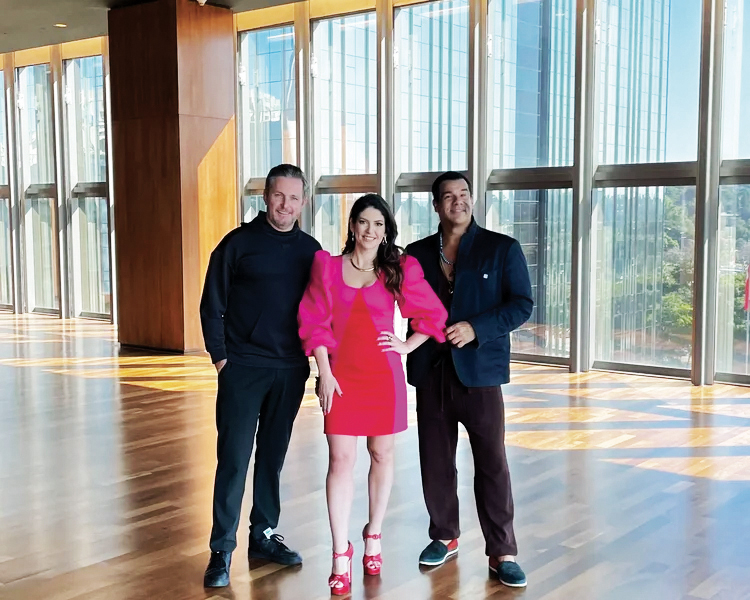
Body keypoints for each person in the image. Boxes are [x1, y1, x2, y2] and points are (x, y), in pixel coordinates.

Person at [298, 194, 447, 596]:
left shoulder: (399, 268)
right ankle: (339, 554)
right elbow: (314, 322)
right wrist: (324, 373)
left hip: (383, 376)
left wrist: (407, 345)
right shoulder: (327, 267)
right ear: (352, 225)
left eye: (379, 224)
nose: (370, 230)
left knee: (382, 454)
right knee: (340, 460)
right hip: (341, 377)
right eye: (364, 222)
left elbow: (432, 314)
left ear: (386, 231)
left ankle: (374, 534)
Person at [404, 171, 533, 588]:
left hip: (480, 373)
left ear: (472, 200)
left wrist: (477, 327)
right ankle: (444, 535)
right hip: (430, 371)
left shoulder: (502, 248)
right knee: (435, 460)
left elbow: (522, 304)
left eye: (463, 193)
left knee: (492, 462)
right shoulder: (416, 254)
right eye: (448, 196)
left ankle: (502, 551)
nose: (457, 201)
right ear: (436, 205)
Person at [200, 164, 321, 588]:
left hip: (290, 370)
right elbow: (211, 305)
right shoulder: (237, 244)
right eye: (279, 196)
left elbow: (321, 310)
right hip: (243, 369)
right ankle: (221, 550)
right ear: (266, 197)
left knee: (272, 457)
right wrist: (222, 361)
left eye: (294, 198)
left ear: (303, 203)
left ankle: (264, 535)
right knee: (234, 459)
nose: (286, 205)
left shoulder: (311, 251)